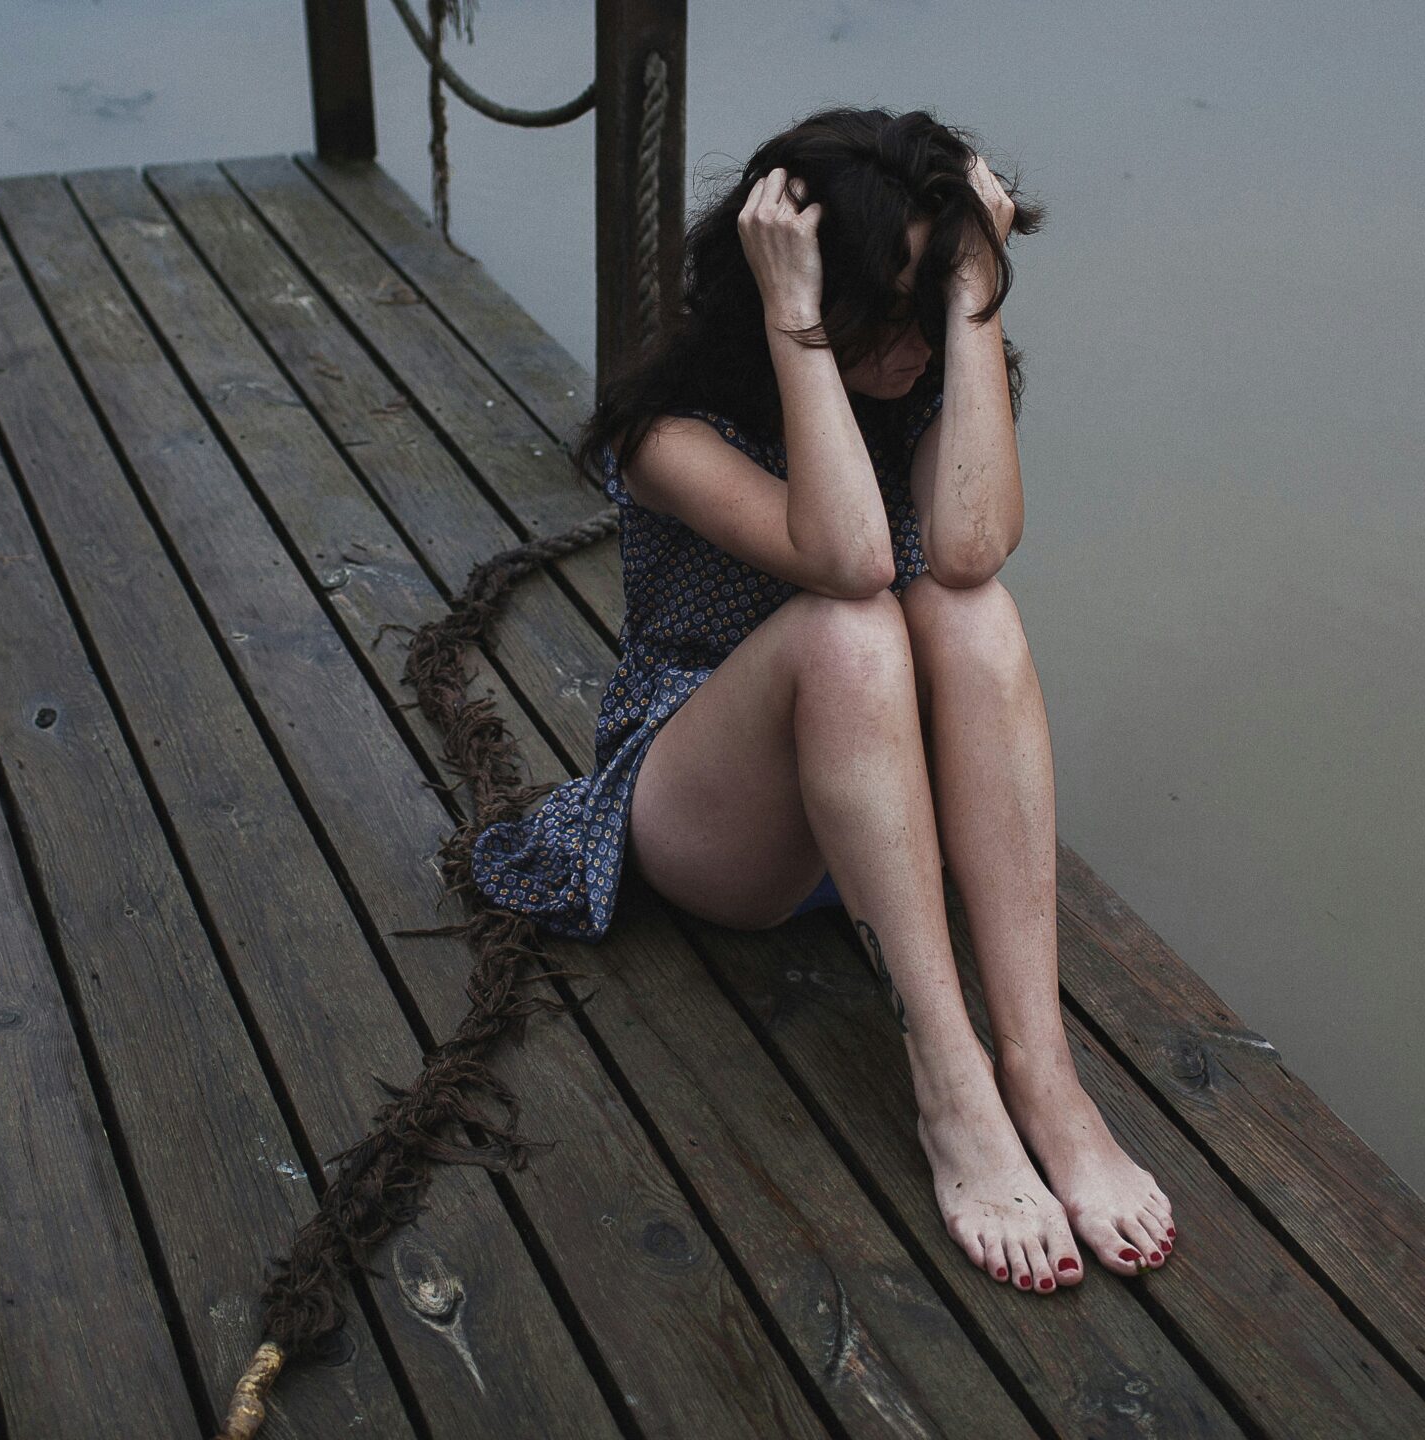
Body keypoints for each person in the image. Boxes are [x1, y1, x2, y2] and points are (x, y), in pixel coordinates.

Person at [469, 106, 1175, 1293]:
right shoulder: (667, 432)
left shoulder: (933, 368)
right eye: (878, 312)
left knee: (968, 606)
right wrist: (798, 327)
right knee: (851, 631)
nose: (905, 347)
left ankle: (1043, 1077)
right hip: (720, 816)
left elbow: (971, 546)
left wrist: (975, 299)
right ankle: (951, 1089)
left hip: (886, 811)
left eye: (925, 304)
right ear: (797, 295)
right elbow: (846, 561)